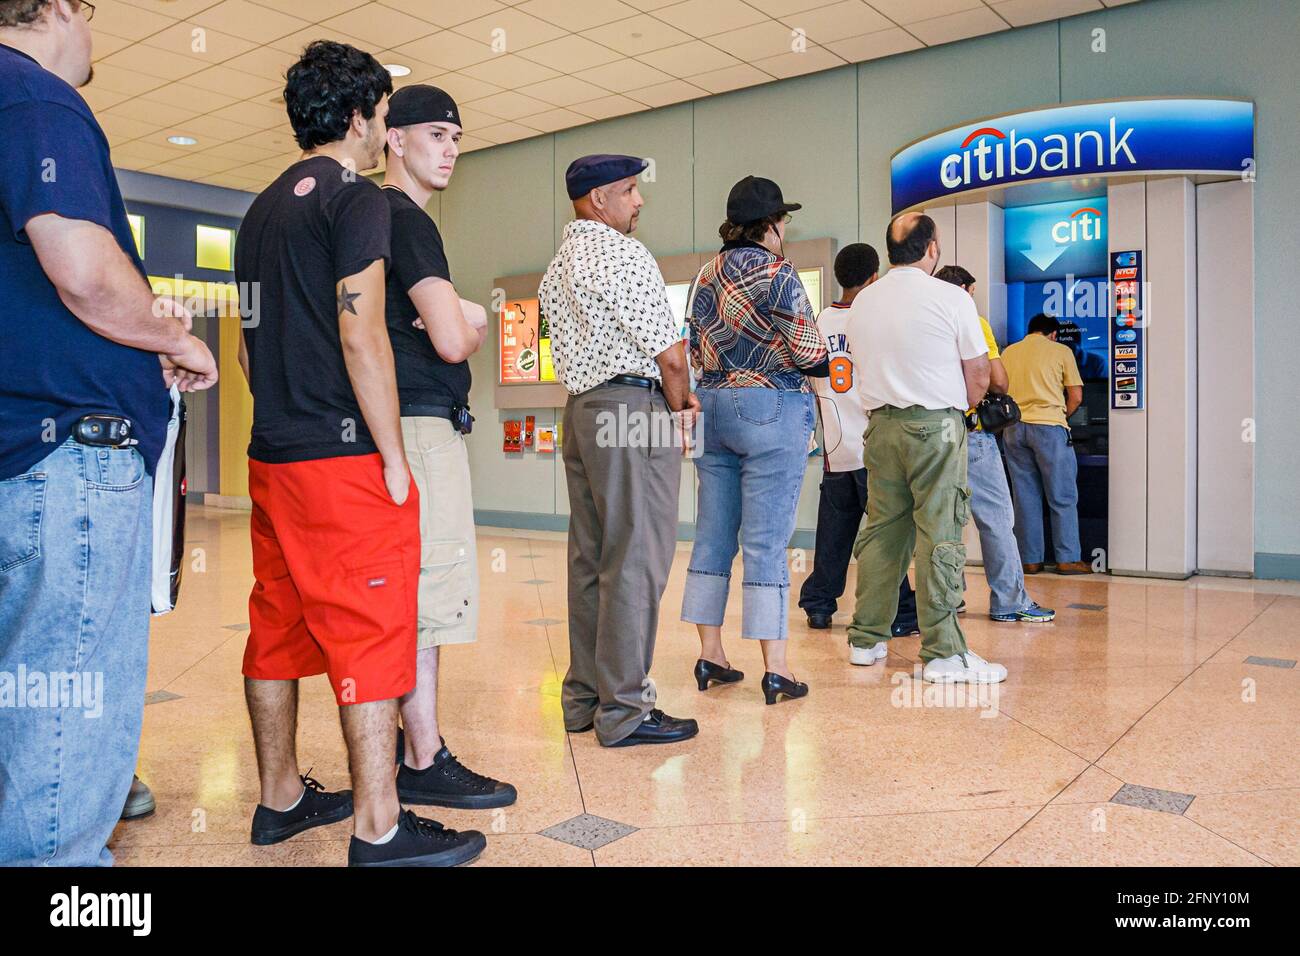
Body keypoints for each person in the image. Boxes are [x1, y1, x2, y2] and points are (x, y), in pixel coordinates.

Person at [234, 41, 483, 867]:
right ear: (357, 116)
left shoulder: (259, 211)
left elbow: (247, 345)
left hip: (271, 452)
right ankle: (380, 826)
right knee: (373, 633)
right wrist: (393, 456)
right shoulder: (356, 200)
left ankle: (279, 801)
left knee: (275, 623)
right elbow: (361, 331)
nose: (386, 132)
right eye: (382, 116)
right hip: (339, 459)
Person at [0, 0, 217, 867]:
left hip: (19, 448)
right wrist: (175, 336)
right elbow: (85, 273)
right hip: (64, 459)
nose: (92, 32)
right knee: (66, 705)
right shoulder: (36, 98)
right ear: (57, 6)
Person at [379, 84, 515, 808]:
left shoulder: (373, 216)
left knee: (408, 590)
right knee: (431, 589)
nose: (450, 149)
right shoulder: (406, 220)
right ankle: (424, 755)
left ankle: (413, 746)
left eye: (457, 137)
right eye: (435, 134)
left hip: (392, 426)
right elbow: (453, 335)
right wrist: (469, 317)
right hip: (422, 429)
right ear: (393, 139)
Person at [539, 154, 700, 747]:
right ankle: (627, 710)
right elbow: (671, 354)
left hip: (582, 412)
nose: (639, 202)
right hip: (635, 410)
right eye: (631, 191)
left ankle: (584, 699)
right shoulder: (624, 253)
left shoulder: (558, 268)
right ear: (599, 200)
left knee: (591, 556)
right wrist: (683, 409)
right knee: (637, 555)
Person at [843, 213, 1007, 683]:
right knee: (940, 531)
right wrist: (954, 410)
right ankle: (943, 653)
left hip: (880, 429)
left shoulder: (865, 301)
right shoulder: (952, 297)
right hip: (936, 427)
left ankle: (866, 638)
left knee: (883, 532)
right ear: (932, 247)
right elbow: (979, 375)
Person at [681, 176, 826, 705]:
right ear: (770, 225)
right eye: (784, 221)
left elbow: (693, 346)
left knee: (712, 536)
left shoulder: (705, 274)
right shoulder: (777, 272)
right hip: (770, 407)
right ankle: (777, 668)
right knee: (765, 543)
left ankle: (711, 655)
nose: (785, 229)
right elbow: (810, 353)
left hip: (713, 407)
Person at [799, 243, 919, 637]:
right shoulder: (873, 319)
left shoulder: (819, 321)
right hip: (872, 447)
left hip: (836, 447)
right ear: (873, 277)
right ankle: (903, 611)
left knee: (833, 536)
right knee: (886, 535)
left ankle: (819, 605)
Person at [934, 266, 1055, 623]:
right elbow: (998, 380)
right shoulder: (972, 320)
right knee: (997, 517)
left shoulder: (927, 322)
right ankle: (1008, 600)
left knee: (944, 519)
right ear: (967, 290)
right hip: (971, 433)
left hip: (933, 434)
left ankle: (948, 599)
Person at [1000, 313, 1089, 575]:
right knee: (1062, 495)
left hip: (1014, 430)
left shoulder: (1009, 353)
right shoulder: (1060, 350)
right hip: (1049, 426)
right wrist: (1061, 415)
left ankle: (1030, 560)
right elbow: (1076, 395)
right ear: (1053, 334)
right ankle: (1068, 558)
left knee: (1025, 497)